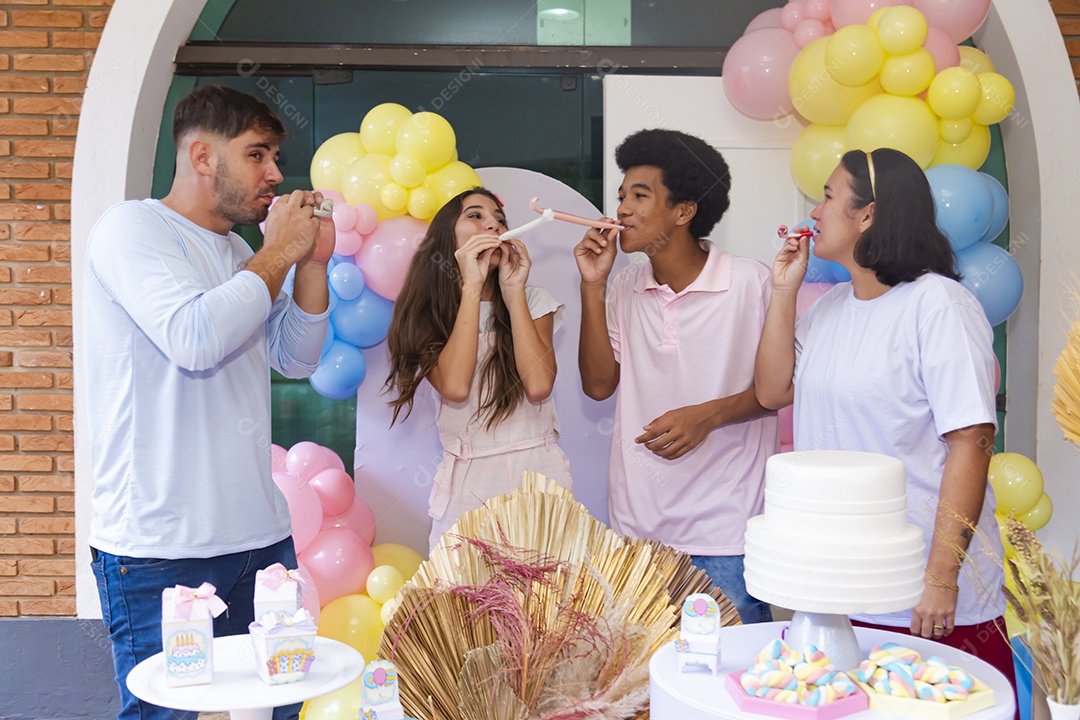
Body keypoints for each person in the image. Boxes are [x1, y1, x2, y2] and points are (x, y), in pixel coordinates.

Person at [83, 85, 333, 720]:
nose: (275, 174)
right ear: (201, 156)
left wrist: (309, 267)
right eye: (257, 154)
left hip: (260, 536)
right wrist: (280, 251)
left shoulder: (238, 252)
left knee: (276, 710)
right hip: (160, 545)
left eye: (275, 155)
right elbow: (195, 338)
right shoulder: (131, 228)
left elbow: (296, 359)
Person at [754, 148, 1015, 693]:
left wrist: (940, 579)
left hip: (922, 592)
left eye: (827, 196)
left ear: (867, 215)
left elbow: (971, 441)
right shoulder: (827, 310)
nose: (815, 211)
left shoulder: (939, 305)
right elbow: (772, 389)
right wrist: (783, 292)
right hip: (839, 587)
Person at [574, 128, 777, 624]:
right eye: (621, 196)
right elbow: (598, 385)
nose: (621, 209)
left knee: (732, 692)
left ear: (684, 211)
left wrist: (709, 415)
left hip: (726, 536)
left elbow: (781, 390)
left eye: (640, 196)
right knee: (644, 695)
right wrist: (592, 287)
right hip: (637, 534)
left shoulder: (751, 283)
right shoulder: (624, 284)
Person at [385, 187, 572, 548]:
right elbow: (455, 387)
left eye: (500, 220)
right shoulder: (428, 315)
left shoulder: (534, 300)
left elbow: (538, 385)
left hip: (540, 477)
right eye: (475, 216)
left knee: (547, 602)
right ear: (447, 237)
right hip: (467, 486)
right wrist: (471, 287)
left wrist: (513, 290)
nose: (493, 225)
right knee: (464, 600)